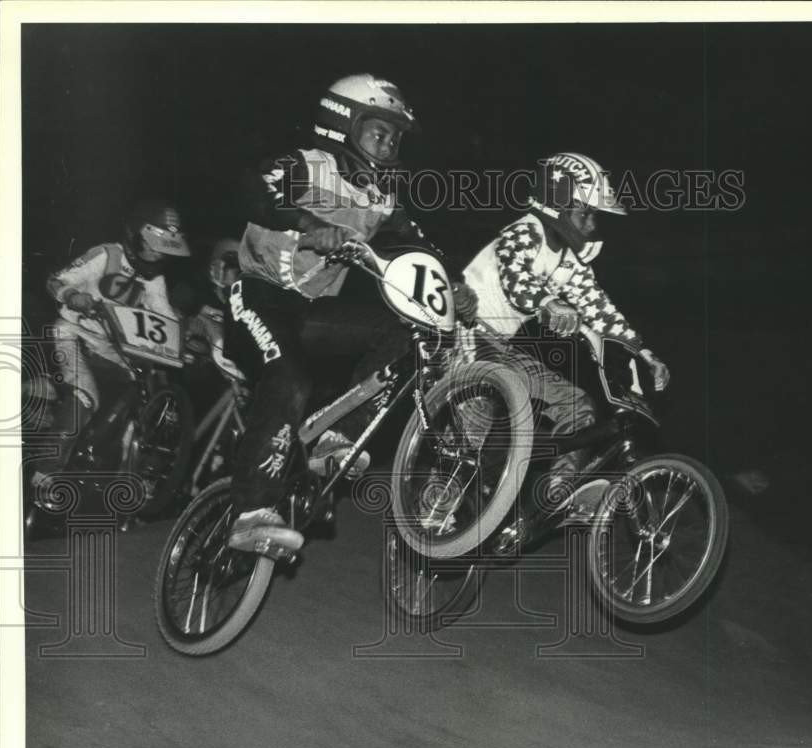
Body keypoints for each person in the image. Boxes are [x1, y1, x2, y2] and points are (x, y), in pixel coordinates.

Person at [227, 73, 477, 557]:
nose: (388, 147)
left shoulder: (381, 196)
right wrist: (309, 224)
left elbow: (414, 243)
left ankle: (336, 438)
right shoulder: (305, 164)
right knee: (289, 378)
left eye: (394, 139)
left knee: (403, 330)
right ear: (343, 124)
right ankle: (251, 512)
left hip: (312, 312)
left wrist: (454, 283)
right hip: (259, 295)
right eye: (379, 132)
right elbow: (253, 191)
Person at [461, 152, 670, 538]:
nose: (592, 225)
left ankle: (558, 495)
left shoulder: (570, 261)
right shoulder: (524, 232)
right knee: (471, 434)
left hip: (500, 348)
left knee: (578, 405)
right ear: (557, 203)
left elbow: (598, 307)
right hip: (466, 333)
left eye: (595, 217)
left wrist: (645, 353)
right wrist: (546, 302)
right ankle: (437, 504)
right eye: (585, 214)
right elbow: (515, 276)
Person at [34, 198, 191, 483]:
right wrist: (73, 295)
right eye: (153, 247)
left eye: (164, 251)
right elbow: (57, 279)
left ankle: (92, 454)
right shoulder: (106, 255)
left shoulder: (155, 279)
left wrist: (182, 339)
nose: (157, 257)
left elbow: (163, 316)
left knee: (134, 391)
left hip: (112, 349)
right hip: (74, 334)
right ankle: (44, 473)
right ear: (135, 235)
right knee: (85, 396)